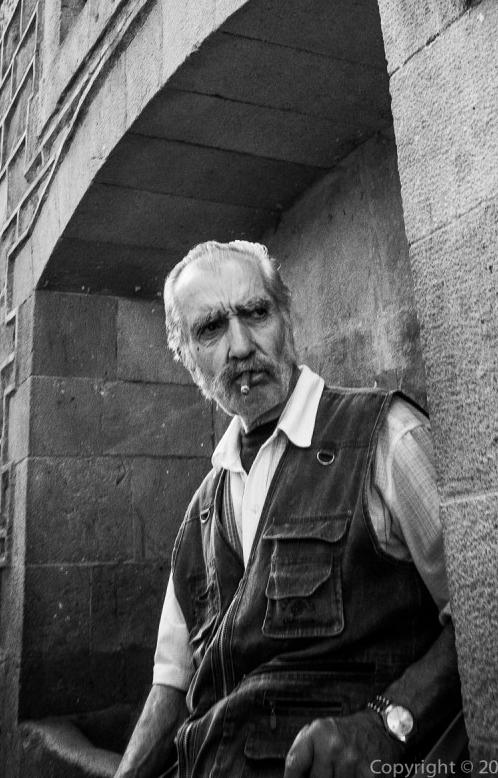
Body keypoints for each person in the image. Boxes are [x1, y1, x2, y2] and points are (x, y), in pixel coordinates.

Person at [115, 240, 462, 778]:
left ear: (286, 318)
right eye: (211, 328)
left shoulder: (384, 435)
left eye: (256, 313)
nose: (240, 346)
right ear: (186, 357)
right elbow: (173, 685)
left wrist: (389, 721)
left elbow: (485, 612)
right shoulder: (203, 511)